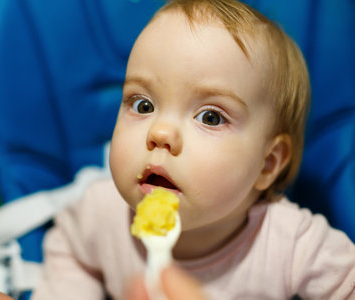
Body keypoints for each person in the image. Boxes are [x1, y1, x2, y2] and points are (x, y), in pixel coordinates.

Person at [31, 0, 355, 299]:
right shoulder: (102, 213)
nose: (160, 132)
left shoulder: (292, 244)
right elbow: (70, 249)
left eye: (210, 117)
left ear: (267, 164)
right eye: (143, 105)